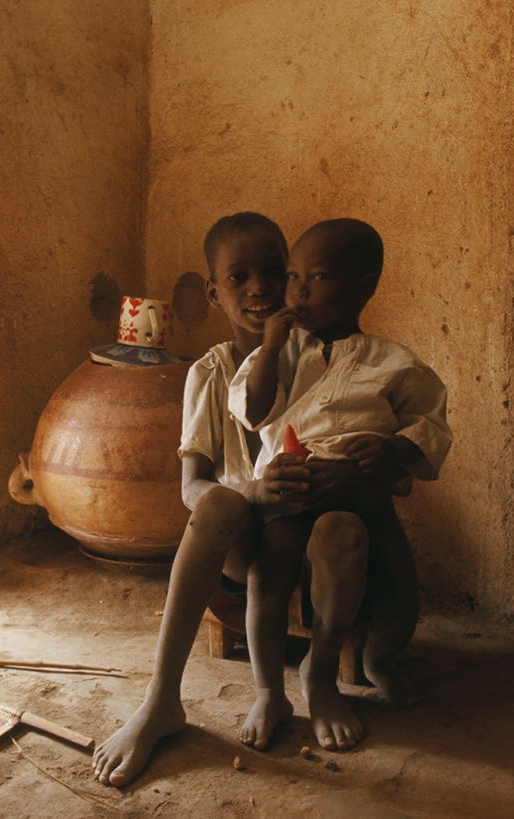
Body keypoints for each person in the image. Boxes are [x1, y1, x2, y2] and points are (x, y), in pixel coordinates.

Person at [93, 211, 324, 787]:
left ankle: (281, 692)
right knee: (220, 502)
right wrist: (251, 489)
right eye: (239, 277)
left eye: (274, 272)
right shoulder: (210, 373)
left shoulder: (317, 360)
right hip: (240, 548)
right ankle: (161, 700)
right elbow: (190, 488)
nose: (260, 288)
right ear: (211, 290)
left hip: (310, 539)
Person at [227, 217, 452, 753]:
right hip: (286, 492)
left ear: (364, 285)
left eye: (319, 277)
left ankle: (335, 671)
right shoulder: (280, 356)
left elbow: (431, 425)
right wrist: (269, 342)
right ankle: (266, 690)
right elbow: (253, 411)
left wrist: (393, 449)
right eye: (294, 277)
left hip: (357, 497)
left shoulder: (393, 362)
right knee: (270, 569)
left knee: (372, 562)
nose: (299, 291)